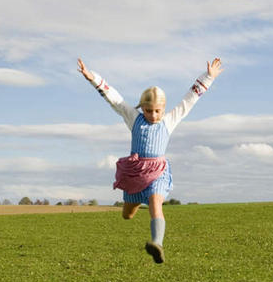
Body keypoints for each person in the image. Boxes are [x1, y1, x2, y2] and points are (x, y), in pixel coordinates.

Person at [77, 56, 223, 263]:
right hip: (136, 173)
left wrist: (208, 77)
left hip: (158, 172)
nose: (153, 115)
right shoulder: (134, 118)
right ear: (142, 107)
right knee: (127, 214)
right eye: (148, 111)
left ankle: (157, 244)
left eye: (157, 111)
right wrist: (92, 77)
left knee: (156, 202)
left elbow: (190, 98)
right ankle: (136, 206)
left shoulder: (169, 120)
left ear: (163, 109)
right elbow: (114, 98)